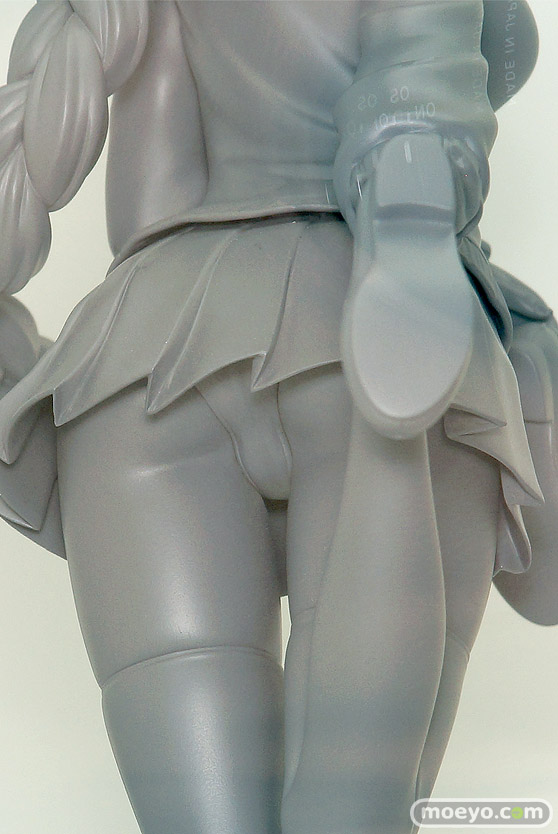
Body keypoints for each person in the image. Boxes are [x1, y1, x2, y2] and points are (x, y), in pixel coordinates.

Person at [0, 2, 552, 833]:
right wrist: (412, 260)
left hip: (141, 373)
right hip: (371, 341)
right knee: (355, 814)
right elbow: (419, 111)